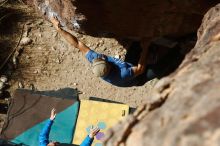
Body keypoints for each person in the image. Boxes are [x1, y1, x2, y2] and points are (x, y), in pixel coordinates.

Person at [50, 17, 156, 87]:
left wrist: (59, 29)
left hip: (128, 65)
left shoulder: (96, 59)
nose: (102, 56)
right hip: (138, 77)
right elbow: (140, 69)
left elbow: (77, 44)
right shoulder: (122, 74)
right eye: (105, 59)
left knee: (136, 44)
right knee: (166, 62)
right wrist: (145, 48)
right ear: (109, 67)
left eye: (100, 58)